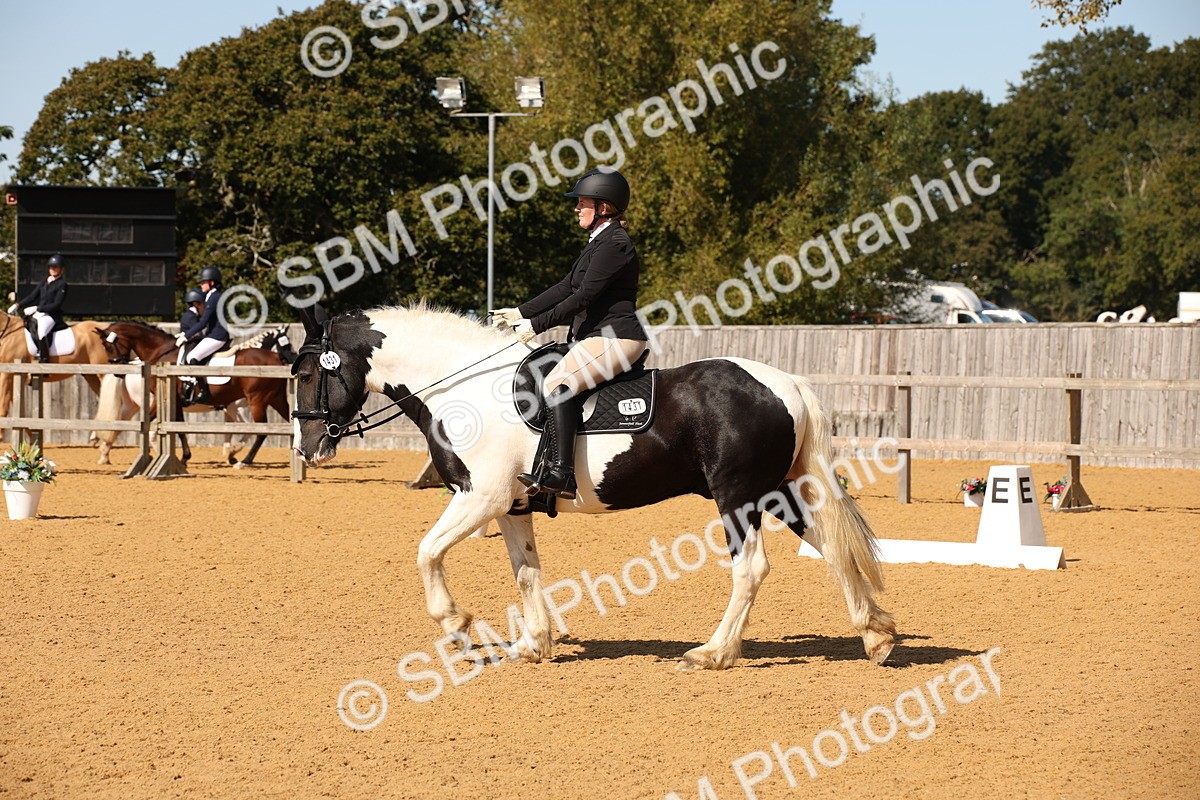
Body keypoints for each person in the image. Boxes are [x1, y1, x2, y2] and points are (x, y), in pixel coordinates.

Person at [494, 168, 648, 499]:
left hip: (615, 338)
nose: (577, 208)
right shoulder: (599, 243)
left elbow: (583, 298)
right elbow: (566, 286)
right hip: (596, 338)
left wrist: (536, 325)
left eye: (583, 203)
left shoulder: (615, 244)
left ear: (603, 207)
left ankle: (561, 474)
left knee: (555, 384)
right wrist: (521, 311)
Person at [178, 266, 230, 406]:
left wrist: (186, 336)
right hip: (212, 334)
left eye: (203, 282)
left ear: (212, 283)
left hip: (217, 336)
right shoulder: (211, 296)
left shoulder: (214, 297)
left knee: (192, 357)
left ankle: (203, 392)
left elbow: (203, 322)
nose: (201, 284)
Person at [10, 254, 69, 363]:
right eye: (51, 267)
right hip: (41, 313)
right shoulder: (44, 281)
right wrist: (18, 305)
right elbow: (33, 296)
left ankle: (44, 359)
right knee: (26, 322)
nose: (53, 269)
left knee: (41, 331)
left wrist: (37, 308)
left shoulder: (62, 284)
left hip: (52, 315)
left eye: (56, 267)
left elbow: (56, 304)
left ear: (61, 269)